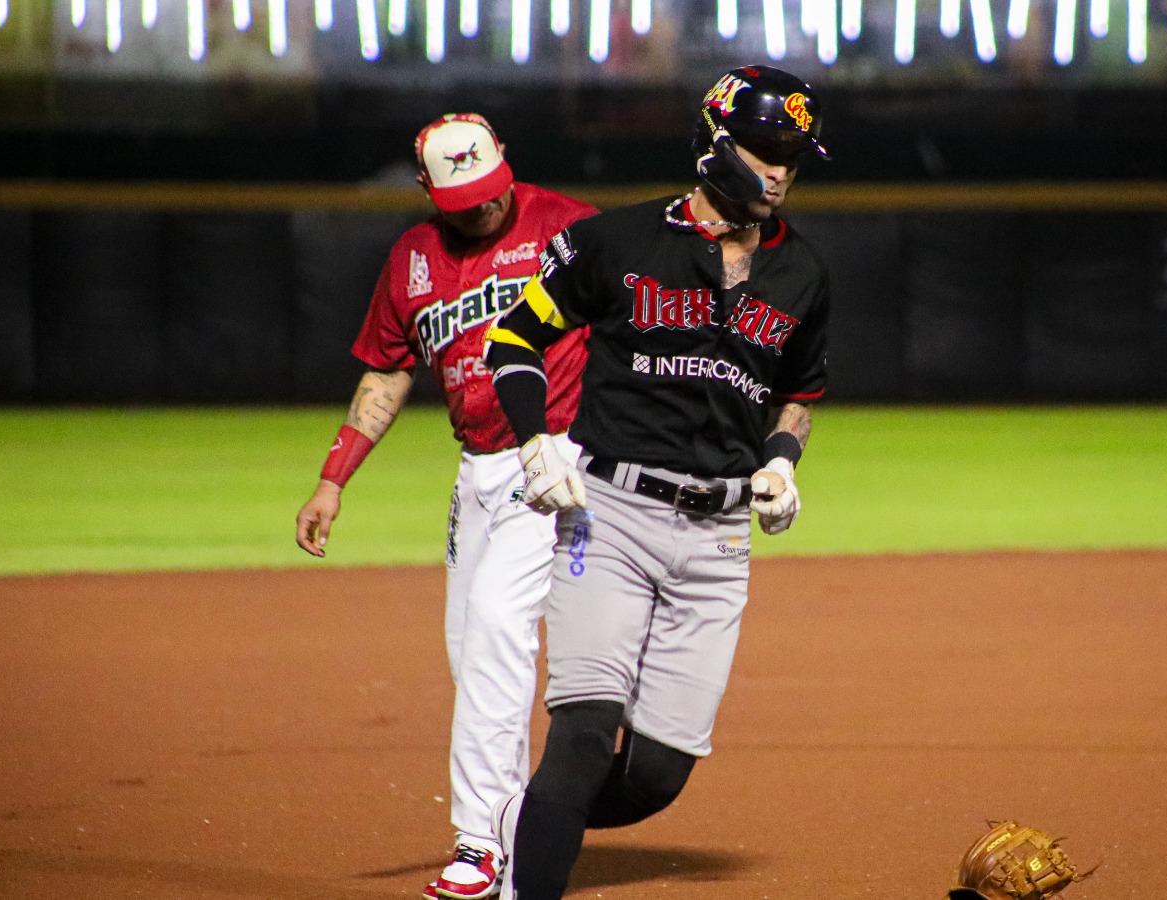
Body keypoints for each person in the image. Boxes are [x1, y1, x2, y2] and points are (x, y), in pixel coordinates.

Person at [477, 65, 831, 900]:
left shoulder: (804, 273)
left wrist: (780, 459)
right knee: (585, 730)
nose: (781, 168)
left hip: (718, 540)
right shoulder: (616, 241)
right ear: (717, 143)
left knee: (660, 776)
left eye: (793, 154)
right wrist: (535, 445)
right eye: (766, 148)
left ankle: (522, 825)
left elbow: (799, 394)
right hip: (613, 518)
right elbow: (513, 341)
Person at [292, 112, 597, 900]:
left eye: (492, 189)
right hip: (479, 474)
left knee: (498, 627)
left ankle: (480, 848)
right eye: (464, 198)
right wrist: (334, 477)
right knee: (472, 653)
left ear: (508, 164)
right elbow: (386, 374)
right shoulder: (413, 260)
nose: (484, 208)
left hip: (558, 457)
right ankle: (510, 834)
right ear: (429, 191)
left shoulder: (568, 226)